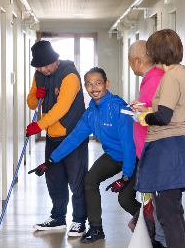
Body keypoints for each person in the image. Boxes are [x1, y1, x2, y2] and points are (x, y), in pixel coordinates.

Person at [31, 67, 140, 243]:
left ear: (107, 84)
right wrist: (50, 161)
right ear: (85, 87)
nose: (93, 88)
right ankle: (96, 229)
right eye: (89, 84)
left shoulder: (120, 109)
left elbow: (129, 146)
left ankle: (150, 222)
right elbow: (73, 139)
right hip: (113, 156)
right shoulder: (90, 113)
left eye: (98, 83)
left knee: (125, 199)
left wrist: (125, 178)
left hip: (134, 159)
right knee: (89, 181)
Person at [132, 29, 185, 248]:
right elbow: (173, 110)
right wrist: (149, 109)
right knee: (175, 215)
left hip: (167, 149)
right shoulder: (183, 72)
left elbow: (164, 117)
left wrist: (143, 116)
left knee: (168, 218)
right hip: (178, 146)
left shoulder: (170, 77)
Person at [26, 41, 89, 237]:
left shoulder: (69, 75)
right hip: (52, 137)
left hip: (73, 136)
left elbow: (61, 107)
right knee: (54, 180)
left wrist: (39, 125)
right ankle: (58, 218)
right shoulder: (39, 75)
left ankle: (79, 221)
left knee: (76, 180)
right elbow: (30, 102)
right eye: (39, 66)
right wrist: (38, 95)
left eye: (46, 65)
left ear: (55, 59)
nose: (43, 69)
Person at [128, 40, 167, 248]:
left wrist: (140, 114)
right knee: (155, 200)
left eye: (129, 60)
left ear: (137, 60)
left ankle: (160, 241)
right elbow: (150, 108)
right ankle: (158, 239)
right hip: (148, 150)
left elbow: (159, 116)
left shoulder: (154, 80)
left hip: (154, 150)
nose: (129, 64)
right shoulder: (149, 79)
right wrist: (139, 109)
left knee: (160, 202)